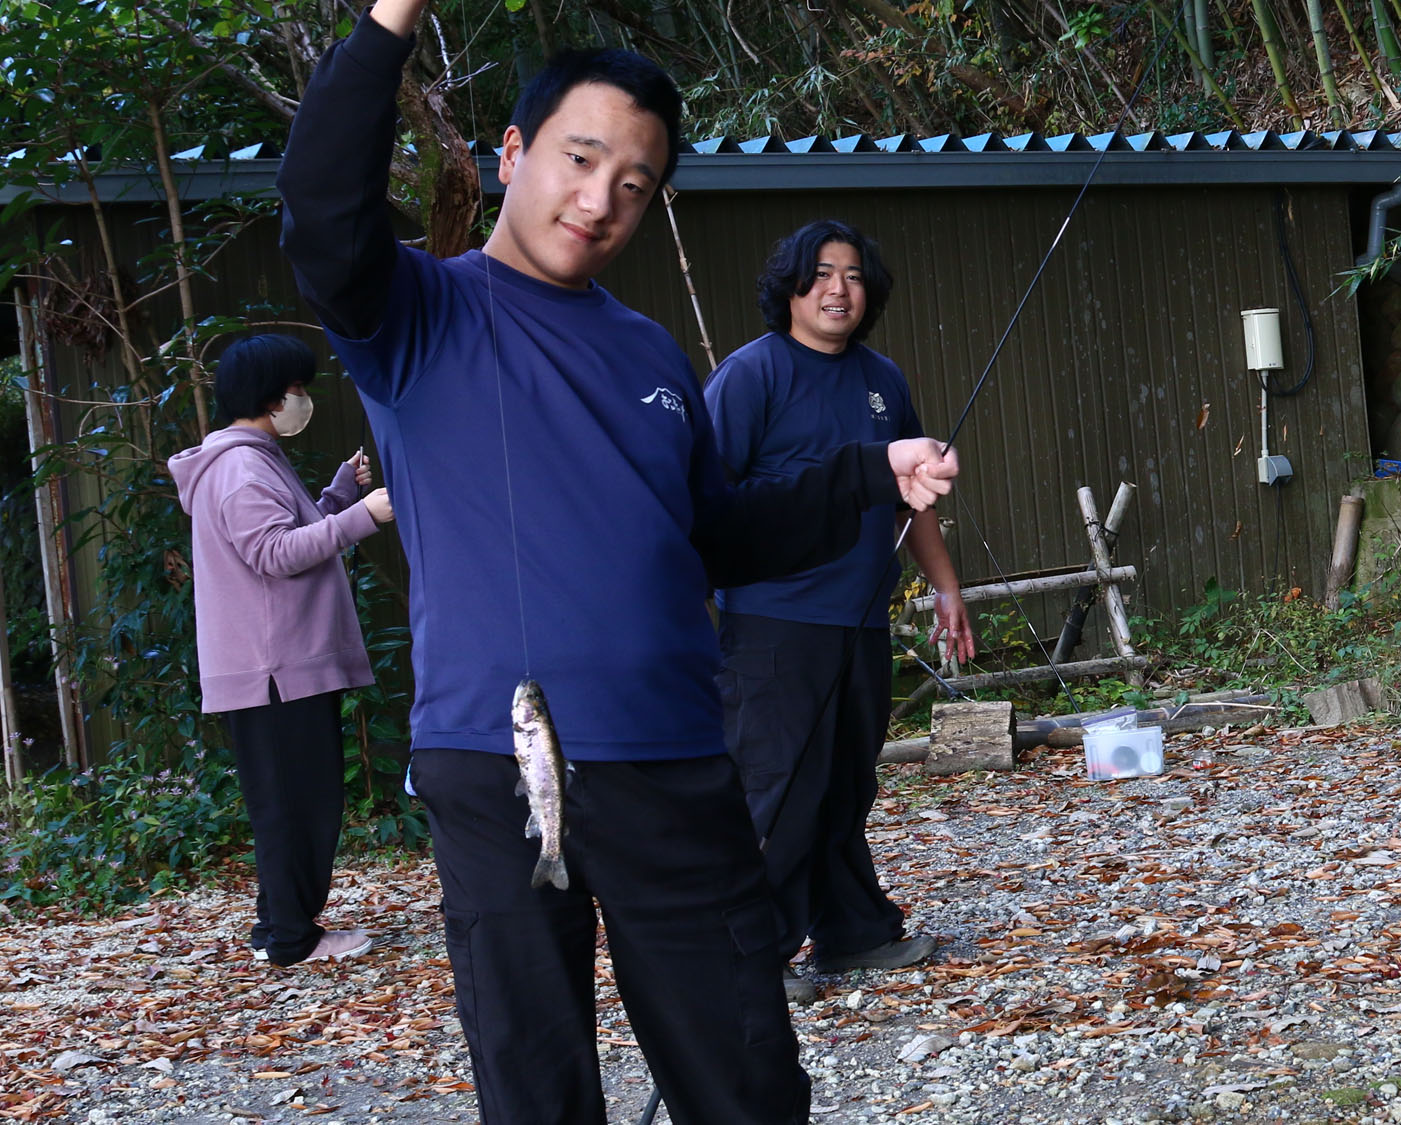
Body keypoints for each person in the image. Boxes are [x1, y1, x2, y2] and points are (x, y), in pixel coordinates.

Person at [275, 3, 960, 1123]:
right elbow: (320, 212)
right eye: (578, 160)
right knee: (536, 1081)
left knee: (743, 1075)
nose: (599, 202)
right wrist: (388, 18)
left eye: (634, 184)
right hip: (496, 759)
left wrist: (866, 474)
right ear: (512, 155)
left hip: (678, 758)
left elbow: (712, 533)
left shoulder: (648, 351)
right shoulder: (416, 313)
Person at [705, 220, 977, 1005]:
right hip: (772, 623)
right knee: (777, 788)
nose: (837, 289)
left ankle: (851, 931)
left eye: (854, 275)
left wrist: (945, 584)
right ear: (790, 286)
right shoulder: (750, 376)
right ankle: (748, 953)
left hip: (859, 617)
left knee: (844, 785)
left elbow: (914, 493)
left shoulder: (883, 380)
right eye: (820, 273)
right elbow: (706, 506)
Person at [168, 332, 395, 967]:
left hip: (276, 664)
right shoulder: (241, 466)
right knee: (298, 805)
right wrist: (364, 518)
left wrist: (339, 497)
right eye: (298, 390)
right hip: (276, 668)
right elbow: (272, 554)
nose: (304, 399)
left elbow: (288, 533)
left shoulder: (251, 457)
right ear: (272, 396)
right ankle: (294, 939)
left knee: (290, 800)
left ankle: (280, 927)